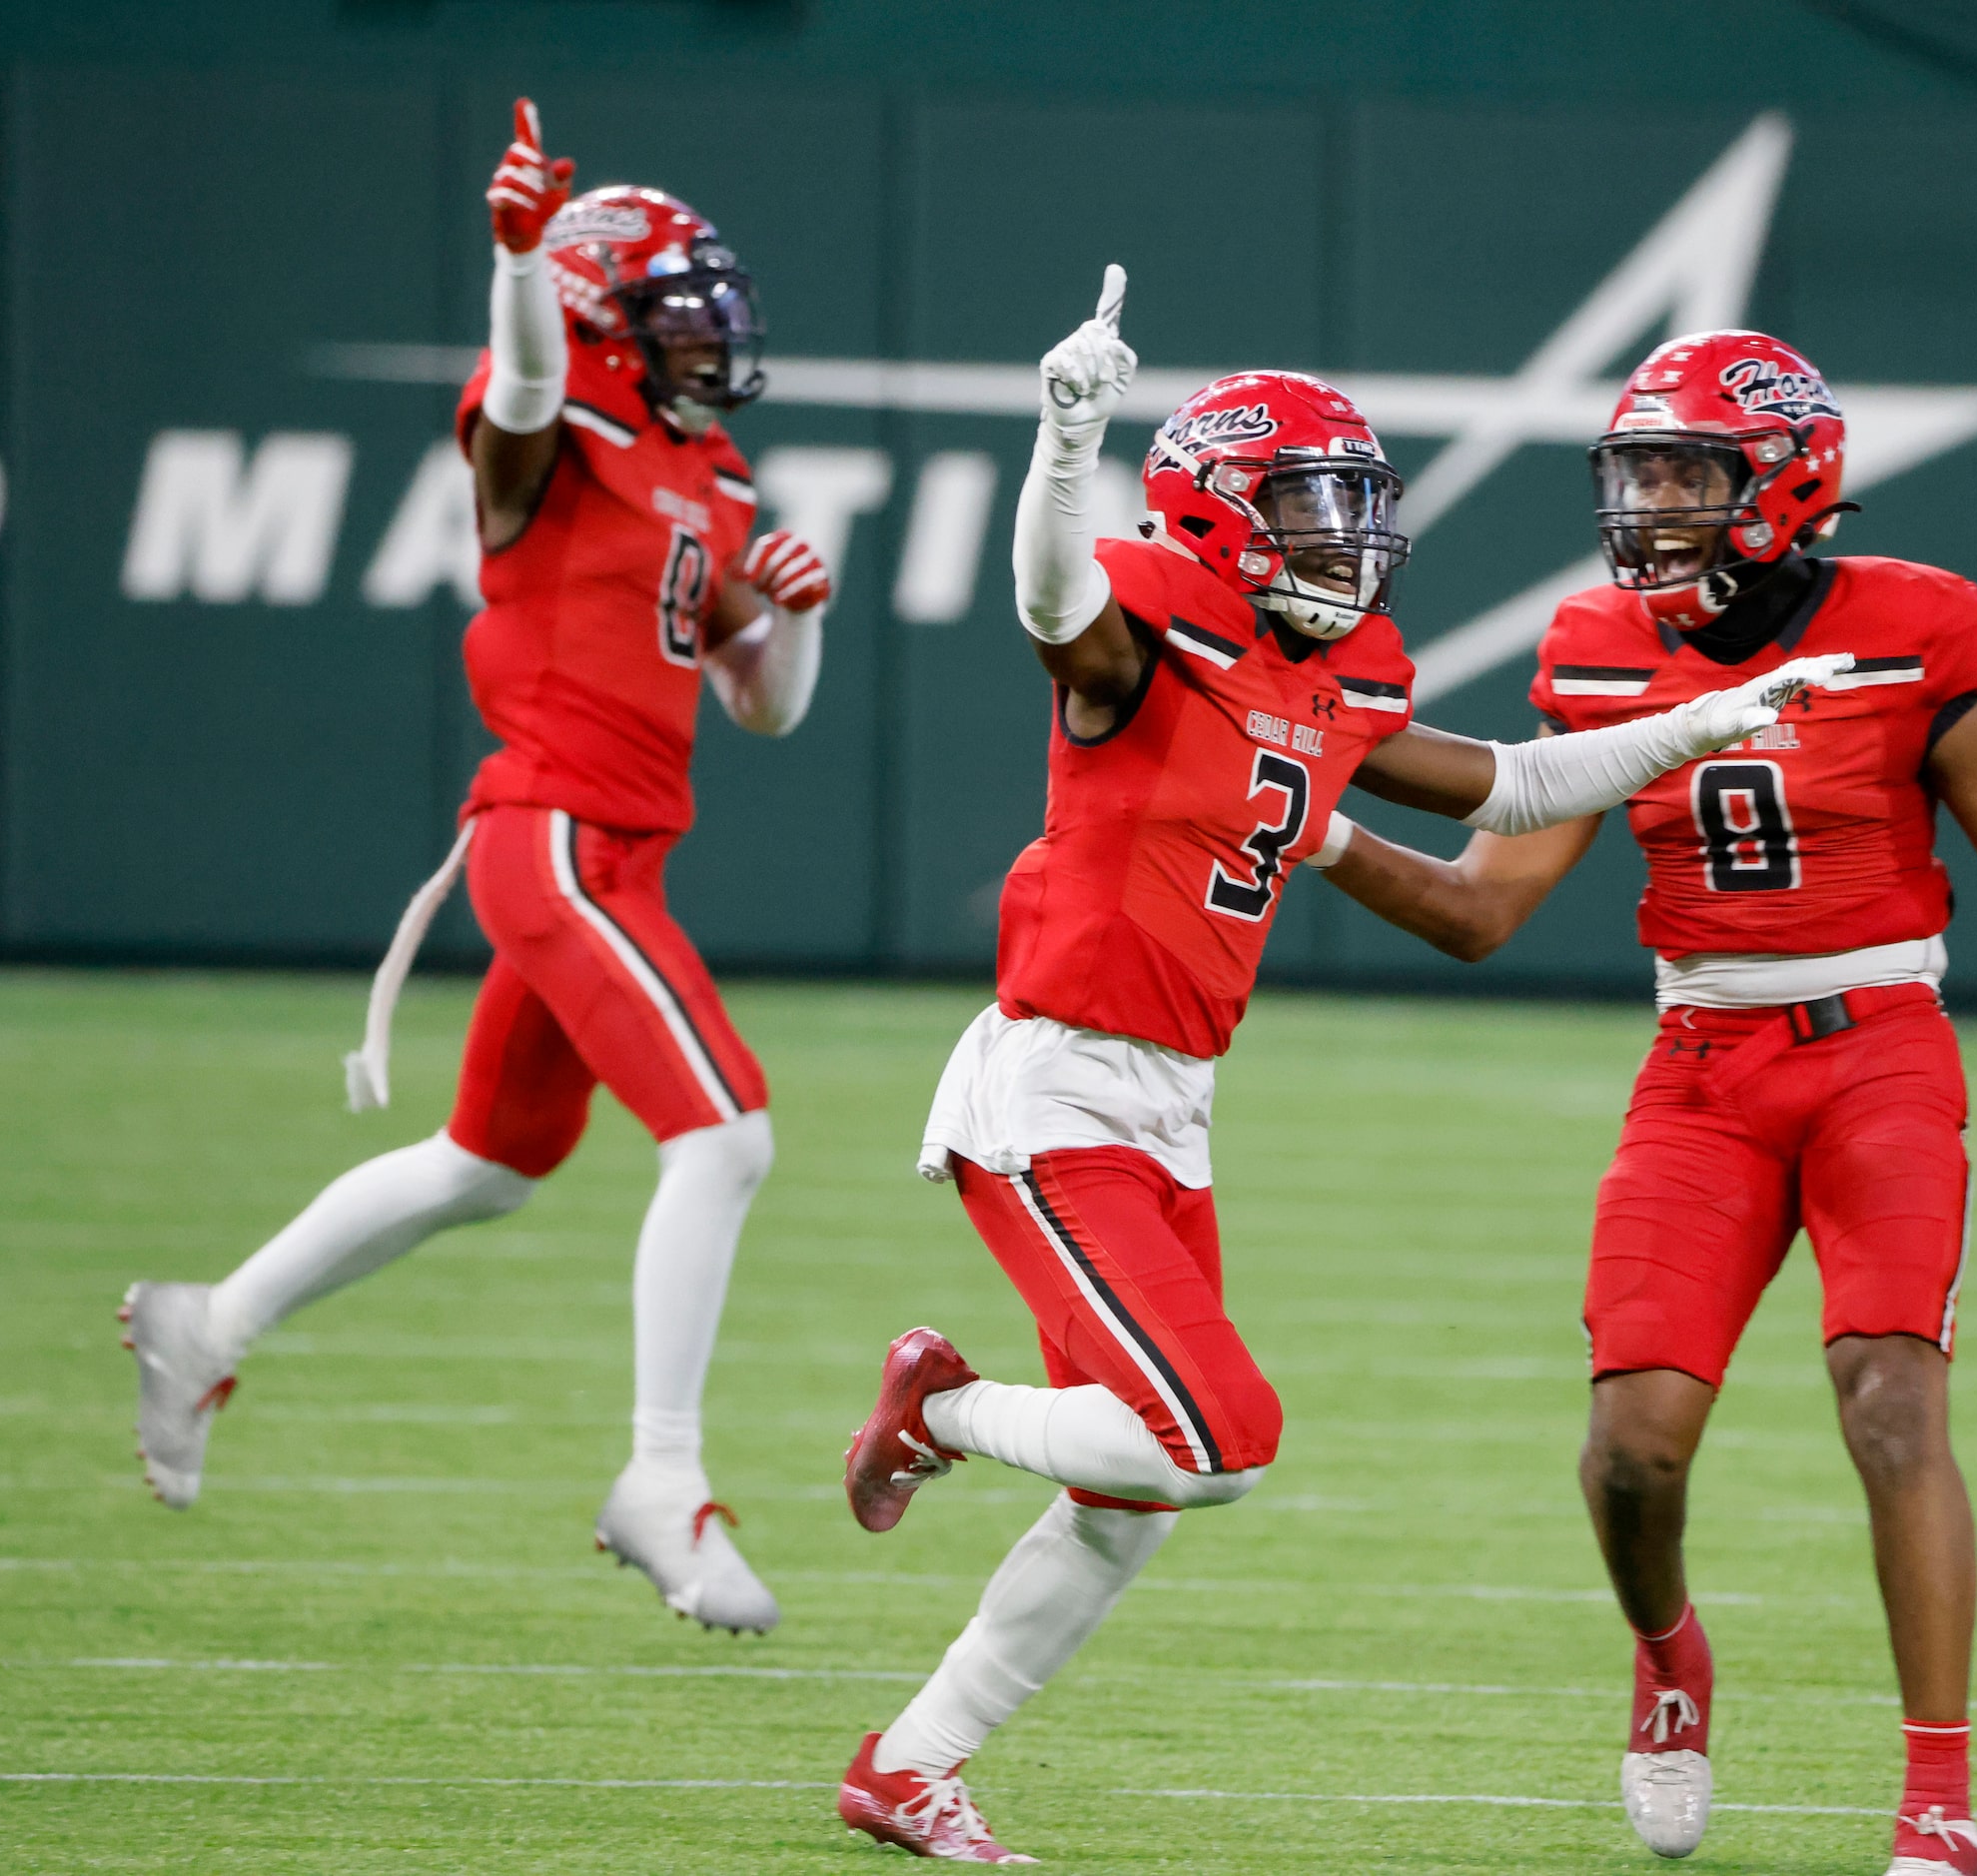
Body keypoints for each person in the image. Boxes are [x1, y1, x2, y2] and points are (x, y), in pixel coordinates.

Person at [828, 273, 1853, 1862]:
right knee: (1211, 1438)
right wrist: (1065, 431)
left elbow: (1512, 788)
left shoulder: (1338, 664)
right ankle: (943, 1408)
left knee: (1132, 1496)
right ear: (1220, 515)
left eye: (1351, 501)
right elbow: (1046, 602)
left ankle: (909, 1763)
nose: (1344, 533)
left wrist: (1710, 715)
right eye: (1310, 503)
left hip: (1171, 1107)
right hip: (1052, 1088)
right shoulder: (1138, 628)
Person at [1314, 329, 1977, 1876]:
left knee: (1890, 1401)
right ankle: (1668, 1654)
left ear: (1782, 480)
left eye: (1683, 471)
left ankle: (1936, 1796)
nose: (1650, 503)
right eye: (1638, 471)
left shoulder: (1910, 624)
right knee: (1631, 1451)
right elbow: (1483, 911)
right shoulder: (1598, 638)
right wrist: (1312, 828)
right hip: (1701, 1072)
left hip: (1876, 1048)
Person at [119, 100, 836, 1636]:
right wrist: (517, 260)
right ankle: (663, 1476)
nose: (711, 344)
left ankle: (206, 1321)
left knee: (487, 1165)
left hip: (618, 852)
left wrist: (795, 618)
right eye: (677, 319)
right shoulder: (551, 426)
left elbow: (762, 706)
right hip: (556, 838)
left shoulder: (705, 473)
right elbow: (522, 384)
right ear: (602, 323)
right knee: (724, 1136)